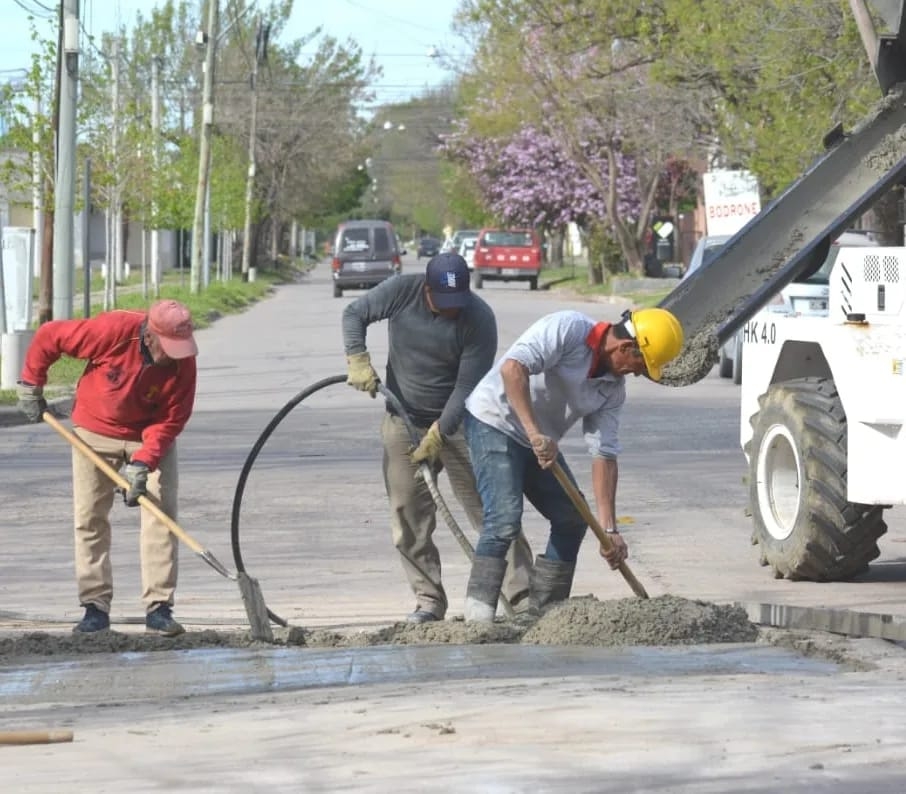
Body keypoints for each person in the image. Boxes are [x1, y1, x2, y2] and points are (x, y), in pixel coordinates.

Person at [342, 252, 534, 623]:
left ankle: (522, 596)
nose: (451, 310)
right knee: (408, 516)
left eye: (457, 303)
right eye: (443, 303)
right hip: (403, 419)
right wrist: (357, 358)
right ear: (426, 289)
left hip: (464, 422)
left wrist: (441, 430)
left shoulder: (478, 318)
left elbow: (467, 385)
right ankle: (429, 600)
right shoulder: (401, 291)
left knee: (493, 510)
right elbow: (354, 313)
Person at [460, 307, 684, 621]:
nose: (636, 373)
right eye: (639, 365)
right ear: (625, 348)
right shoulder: (567, 330)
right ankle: (477, 617)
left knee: (572, 519)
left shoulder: (612, 390)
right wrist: (534, 433)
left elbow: (604, 454)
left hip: (538, 441)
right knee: (504, 519)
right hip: (493, 422)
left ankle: (544, 615)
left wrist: (610, 531)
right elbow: (513, 369)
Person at [16, 300, 199, 636]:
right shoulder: (112, 331)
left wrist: (144, 462)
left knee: (161, 515)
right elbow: (49, 336)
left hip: (148, 436)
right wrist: (32, 383)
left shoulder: (183, 363)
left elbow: (173, 418)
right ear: (149, 337)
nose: (176, 356)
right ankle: (94, 607)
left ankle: (159, 607)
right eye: (169, 349)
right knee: (90, 517)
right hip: (95, 431)